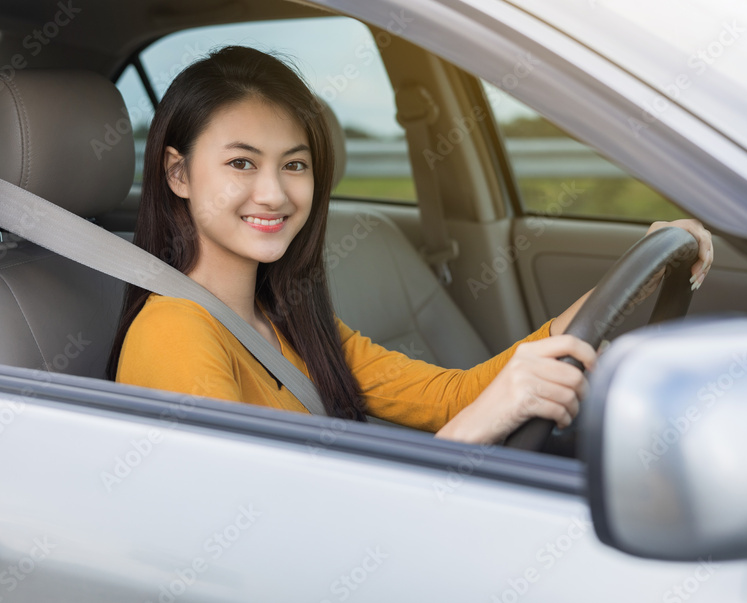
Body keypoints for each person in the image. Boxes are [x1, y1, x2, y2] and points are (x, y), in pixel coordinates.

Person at [108, 46, 713, 445]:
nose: (273, 193)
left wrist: (631, 277)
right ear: (178, 173)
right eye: (242, 162)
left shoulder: (288, 322)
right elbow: (271, 532)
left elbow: (449, 397)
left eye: (294, 166)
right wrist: (482, 423)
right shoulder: (174, 333)